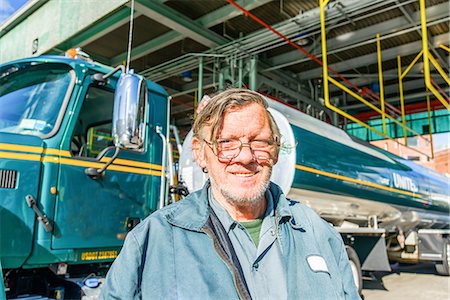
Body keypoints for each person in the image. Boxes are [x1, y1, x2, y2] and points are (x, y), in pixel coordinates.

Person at [100, 89, 360, 299]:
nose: (246, 157)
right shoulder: (153, 240)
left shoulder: (318, 233)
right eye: (226, 143)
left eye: (260, 141)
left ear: (276, 151)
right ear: (200, 152)